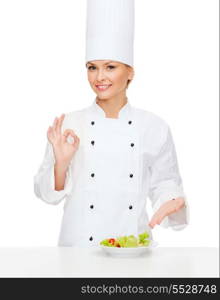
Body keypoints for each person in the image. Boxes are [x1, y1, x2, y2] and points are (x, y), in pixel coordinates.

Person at [34, 0, 189, 247]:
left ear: (130, 72)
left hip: (133, 248)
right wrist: (61, 164)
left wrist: (173, 200)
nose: (99, 77)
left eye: (110, 67)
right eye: (92, 67)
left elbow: (165, 183)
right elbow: (45, 194)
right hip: (78, 250)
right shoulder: (70, 124)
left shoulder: (154, 126)